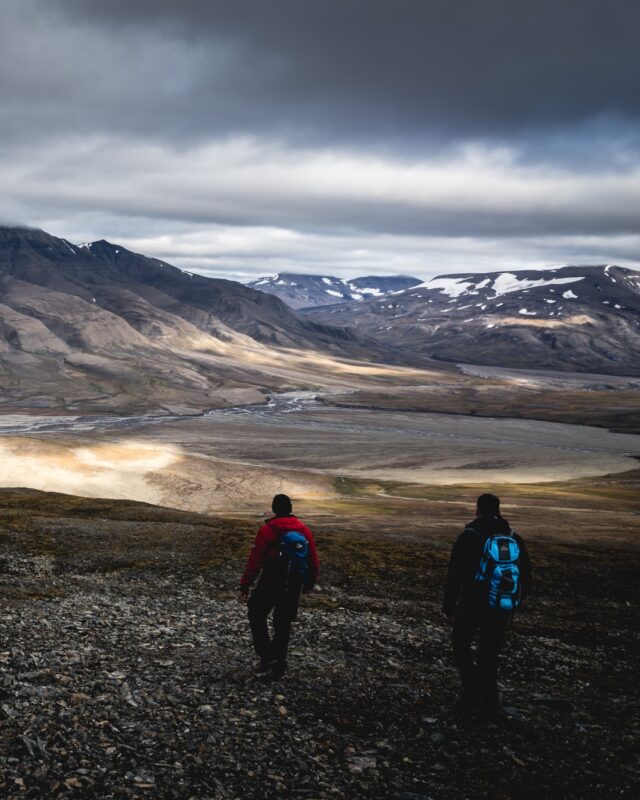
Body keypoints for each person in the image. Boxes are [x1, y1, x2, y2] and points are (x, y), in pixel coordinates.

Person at [442, 493, 531, 717]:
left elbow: (455, 574)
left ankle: (472, 694)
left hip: (472, 602)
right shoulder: (513, 537)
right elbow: (526, 574)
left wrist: (448, 606)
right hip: (501, 604)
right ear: (499, 510)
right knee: (489, 652)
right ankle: (490, 700)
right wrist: (513, 602)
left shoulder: (469, 536)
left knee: (461, 646)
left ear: (477, 510)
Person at [239, 494, 320, 680]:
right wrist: (310, 582)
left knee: (256, 612)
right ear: (290, 508)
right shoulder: (304, 530)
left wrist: (245, 584)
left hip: (270, 581)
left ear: (274, 509)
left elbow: (255, 560)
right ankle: (279, 664)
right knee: (282, 623)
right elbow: (312, 558)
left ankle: (266, 655)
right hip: (293, 583)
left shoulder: (267, 530)